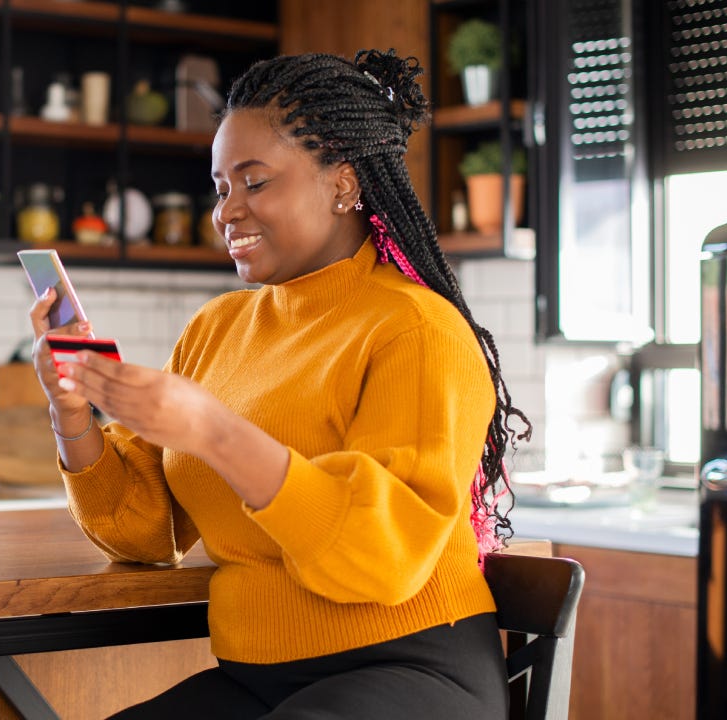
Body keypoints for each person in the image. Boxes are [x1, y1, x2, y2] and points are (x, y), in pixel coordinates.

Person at [26, 48, 532, 719]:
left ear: (343, 184)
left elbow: (382, 561)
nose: (227, 212)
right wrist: (74, 416)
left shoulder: (416, 330)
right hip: (259, 678)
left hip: (410, 667)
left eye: (254, 182)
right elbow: (146, 531)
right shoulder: (218, 328)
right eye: (220, 188)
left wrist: (214, 430)